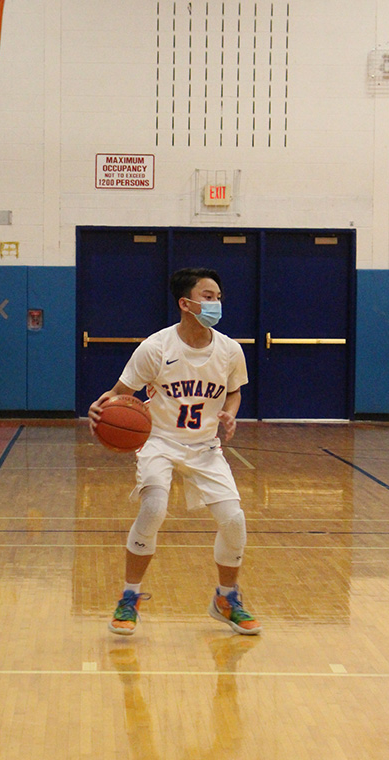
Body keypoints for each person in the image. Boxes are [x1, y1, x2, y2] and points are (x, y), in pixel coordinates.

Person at [88, 267, 261, 636]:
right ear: (186, 303)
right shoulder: (155, 348)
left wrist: (229, 415)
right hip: (160, 443)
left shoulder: (230, 350)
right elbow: (120, 393)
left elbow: (234, 391)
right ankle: (129, 597)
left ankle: (226, 598)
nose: (216, 303)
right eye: (208, 296)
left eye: (218, 297)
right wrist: (100, 409)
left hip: (205, 447)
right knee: (153, 508)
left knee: (234, 520)